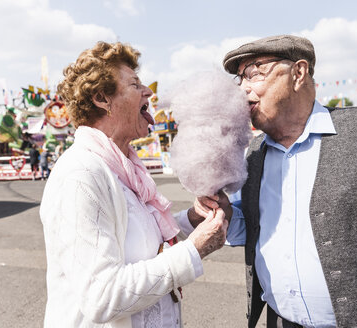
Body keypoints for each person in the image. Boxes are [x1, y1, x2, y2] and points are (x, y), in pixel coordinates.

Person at [189, 35, 357, 328]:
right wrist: (223, 212)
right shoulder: (254, 153)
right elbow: (253, 227)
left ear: (299, 73)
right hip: (280, 321)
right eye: (239, 78)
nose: (243, 89)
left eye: (254, 72)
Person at [39, 41, 228, 328]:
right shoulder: (81, 176)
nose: (148, 91)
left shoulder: (123, 168)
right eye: (135, 84)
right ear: (102, 98)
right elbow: (101, 297)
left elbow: (136, 235)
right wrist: (193, 251)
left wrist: (192, 219)